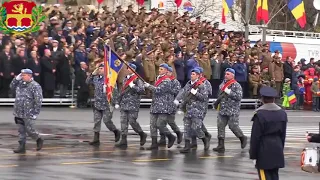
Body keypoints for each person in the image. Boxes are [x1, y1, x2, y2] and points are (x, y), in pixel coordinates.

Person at [250, 86, 288, 180]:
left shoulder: (260, 114)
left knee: (264, 177)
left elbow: (255, 137)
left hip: (263, 150)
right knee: (275, 176)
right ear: (274, 99)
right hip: (277, 147)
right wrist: (280, 149)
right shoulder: (282, 113)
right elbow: (283, 135)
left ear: (262, 99)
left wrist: (253, 156)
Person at [212, 68, 247, 153]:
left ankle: (242, 137)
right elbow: (219, 95)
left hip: (232, 109)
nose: (226, 75)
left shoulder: (236, 85)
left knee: (233, 126)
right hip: (223, 109)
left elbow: (239, 97)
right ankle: (221, 145)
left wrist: (229, 92)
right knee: (220, 126)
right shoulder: (222, 84)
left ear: (232, 75)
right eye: (225, 74)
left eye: (228, 74)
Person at [10, 69, 44, 153]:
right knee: (21, 131)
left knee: (30, 130)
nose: (22, 76)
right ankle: (21, 147)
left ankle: (38, 138)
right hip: (18, 111)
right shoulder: (20, 83)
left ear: (30, 76)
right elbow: (11, 87)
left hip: (28, 112)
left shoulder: (35, 86)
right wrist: (16, 79)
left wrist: (35, 113)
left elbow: (38, 100)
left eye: (24, 75)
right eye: (21, 75)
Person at [86, 64, 121, 146]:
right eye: (99, 68)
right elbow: (87, 82)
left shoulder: (110, 80)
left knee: (106, 120)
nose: (100, 70)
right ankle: (96, 138)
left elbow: (115, 92)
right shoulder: (96, 78)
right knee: (97, 121)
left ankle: (115, 131)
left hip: (107, 104)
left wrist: (115, 102)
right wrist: (92, 74)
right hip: (98, 103)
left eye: (101, 68)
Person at [144, 63, 176, 150]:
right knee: (152, 125)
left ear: (166, 70)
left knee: (160, 124)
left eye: (162, 69)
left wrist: (149, 86)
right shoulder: (158, 78)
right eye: (159, 69)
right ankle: (154, 143)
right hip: (155, 105)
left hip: (163, 106)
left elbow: (159, 90)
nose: (160, 70)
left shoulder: (167, 80)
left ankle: (170, 136)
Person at [114, 63, 147, 148]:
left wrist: (133, 86)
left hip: (133, 104)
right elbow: (122, 91)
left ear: (132, 70)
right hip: (124, 103)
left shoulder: (137, 79)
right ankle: (123, 140)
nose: (126, 70)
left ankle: (142, 134)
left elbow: (142, 90)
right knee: (123, 122)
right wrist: (118, 101)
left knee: (132, 121)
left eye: (128, 68)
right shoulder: (125, 79)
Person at [178, 68, 210, 153]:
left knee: (196, 128)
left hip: (197, 111)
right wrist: (181, 106)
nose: (192, 76)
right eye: (191, 74)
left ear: (198, 76)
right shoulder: (188, 85)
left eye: (194, 74)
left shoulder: (201, 85)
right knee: (186, 129)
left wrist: (196, 93)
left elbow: (204, 98)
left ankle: (205, 139)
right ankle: (187, 146)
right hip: (188, 110)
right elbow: (185, 96)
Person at [158, 66, 183, 146]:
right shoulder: (161, 79)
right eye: (166, 72)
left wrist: (176, 100)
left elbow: (179, 92)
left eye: (168, 72)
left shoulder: (174, 82)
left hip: (171, 104)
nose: (167, 73)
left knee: (170, 122)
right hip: (162, 105)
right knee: (162, 122)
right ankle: (162, 138)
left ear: (171, 73)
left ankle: (178, 133)